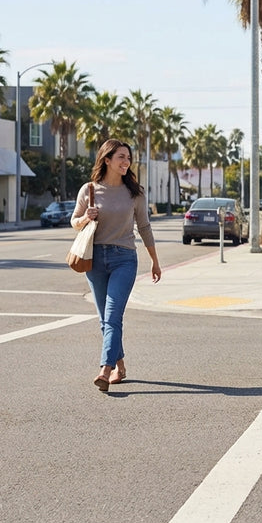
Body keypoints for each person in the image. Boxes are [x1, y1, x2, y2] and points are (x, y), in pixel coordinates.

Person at [71, 139, 161, 392]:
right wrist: (85, 218)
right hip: (95, 260)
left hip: (124, 259)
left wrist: (154, 261)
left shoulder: (135, 193)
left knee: (112, 316)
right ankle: (120, 366)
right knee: (105, 319)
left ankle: (105, 369)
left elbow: (144, 227)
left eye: (128, 157)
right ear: (107, 159)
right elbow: (74, 221)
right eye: (121, 157)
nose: (126, 162)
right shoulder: (89, 189)